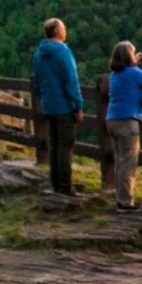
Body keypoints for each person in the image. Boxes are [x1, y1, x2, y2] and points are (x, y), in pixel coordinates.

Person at [104, 41, 142, 211]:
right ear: (129, 57)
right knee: (128, 164)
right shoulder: (132, 73)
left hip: (112, 121)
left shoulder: (115, 74)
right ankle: (125, 203)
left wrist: (134, 62)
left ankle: (121, 199)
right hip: (126, 123)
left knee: (120, 162)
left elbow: (129, 76)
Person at [31, 19, 84, 196]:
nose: (65, 30)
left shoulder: (39, 53)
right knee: (66, 146)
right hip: (64, 106)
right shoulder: (63, 52)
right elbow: (71, 80)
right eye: (64, 27)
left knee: (54, 145)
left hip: (48, 105)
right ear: (58, 32)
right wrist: (78, 105)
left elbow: (36, 81)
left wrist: (43, 99)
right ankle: (65, 186)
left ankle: (55, 183)